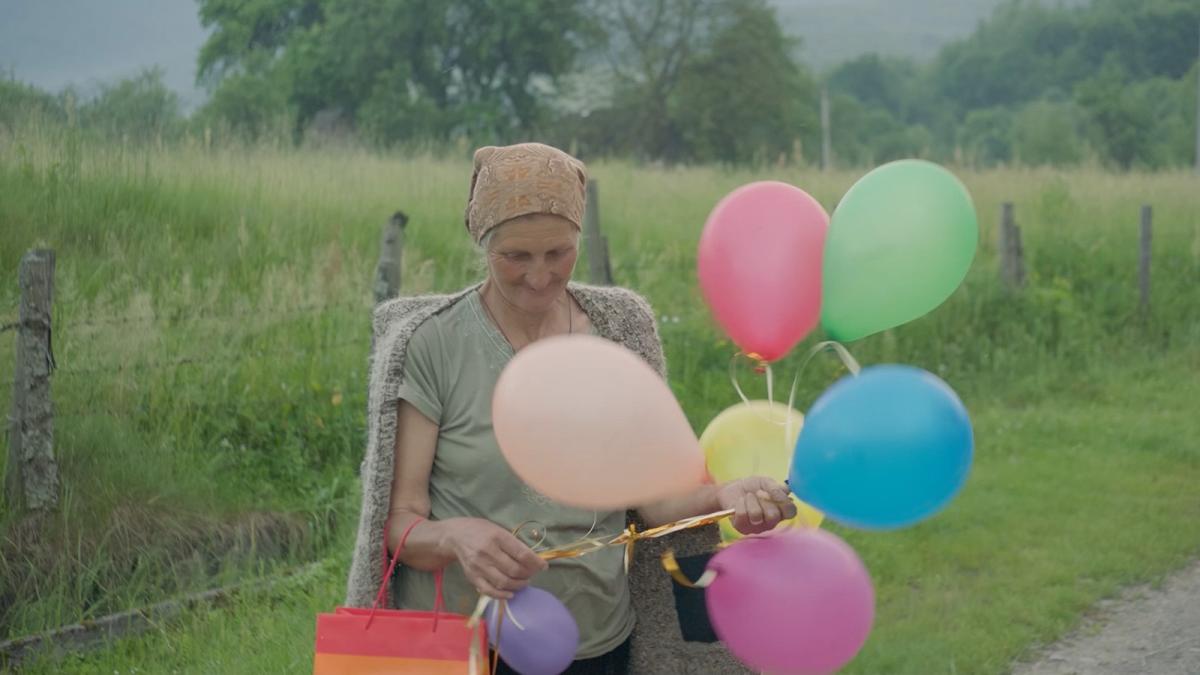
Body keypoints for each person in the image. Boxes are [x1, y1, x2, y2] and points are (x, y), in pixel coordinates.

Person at [346, 142, 796, 674]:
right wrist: (456, 537)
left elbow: (653, 501)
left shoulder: (619, 332)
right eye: (516, 256)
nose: (539, 275)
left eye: (558, 253)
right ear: (482, 243)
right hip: (461, 649)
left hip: (595, 643)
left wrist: (727, 495)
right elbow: (399, 523)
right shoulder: (432, 345)